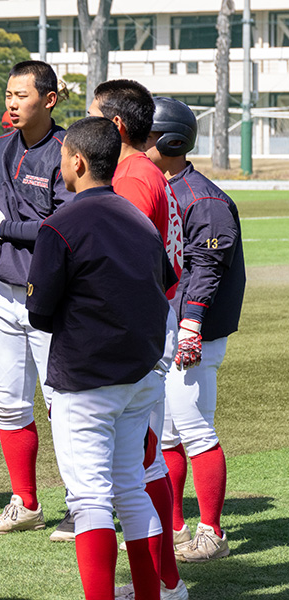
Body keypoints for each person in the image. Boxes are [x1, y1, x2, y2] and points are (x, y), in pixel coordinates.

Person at [27, 116, 178, 600]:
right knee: (131, 488)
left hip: (87, 379)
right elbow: (162, 285)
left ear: (78, 161)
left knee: (90, 499)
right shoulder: (137, 217)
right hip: (140, 376)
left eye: (63, 157)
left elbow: (39, 313)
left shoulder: (61, 223)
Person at [0, 60, 73, 536]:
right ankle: (25, 502)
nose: (11, 103)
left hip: (50, 297)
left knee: (61, 403)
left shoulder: (68, 152)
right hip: (1, 294)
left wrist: (9, 227)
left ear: (49, 100)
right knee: (9, 403)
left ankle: (84, 504)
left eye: (21, 95)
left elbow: (66, 225)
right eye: (8, 95)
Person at [89, 80, 189, 600]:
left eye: (93, 116)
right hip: (154, 319)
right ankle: (163, 582)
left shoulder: (130, 176)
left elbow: (117, 264)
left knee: (138, 464)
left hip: (141, 326)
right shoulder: (144, 171)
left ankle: (166, 585)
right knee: (140, 462)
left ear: (118, 127)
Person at [146, 97, 246, 564]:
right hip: (170, 326)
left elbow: (206, 268)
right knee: (166, 433)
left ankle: (212, 532)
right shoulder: (162, 186)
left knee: (194, 428)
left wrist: (190, 326)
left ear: (168, 141)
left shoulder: (202, 197)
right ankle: (175, 527)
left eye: (146, 137)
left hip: (196, 331)